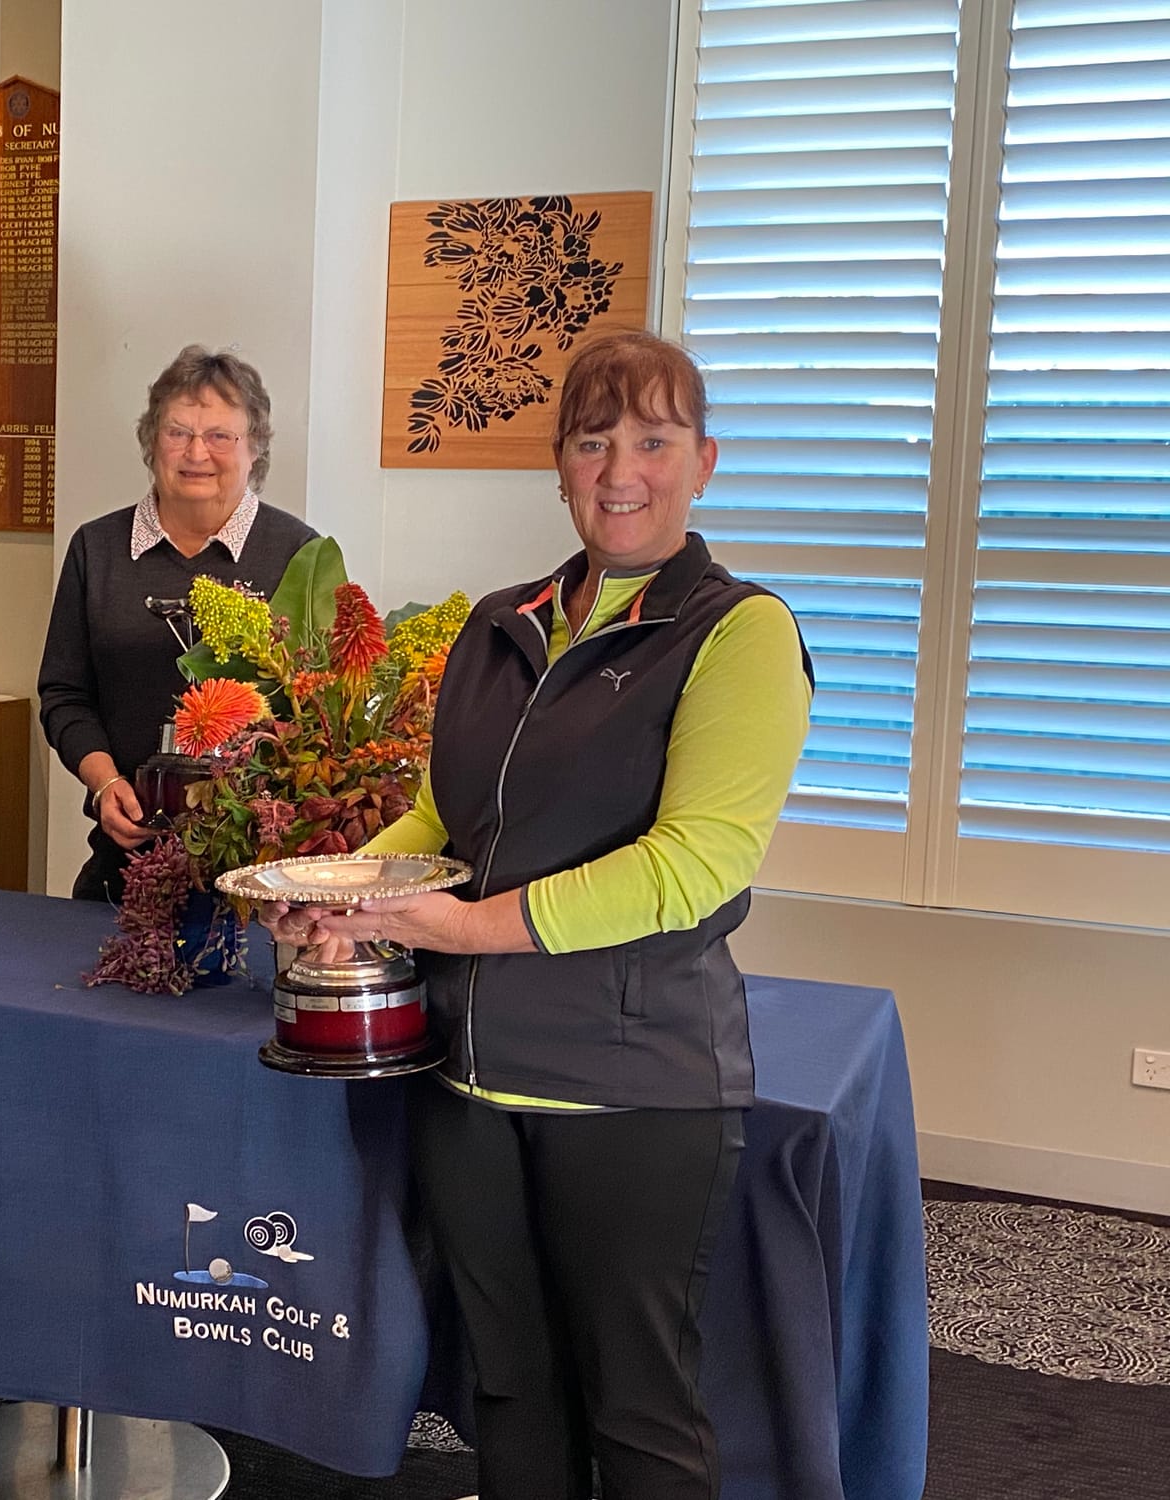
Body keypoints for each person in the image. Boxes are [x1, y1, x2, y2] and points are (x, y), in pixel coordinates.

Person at [266, 331, 812, 1499]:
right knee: (508, 1396)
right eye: (593, 440)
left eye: (653, 441)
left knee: (638, 1413)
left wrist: (454, 930)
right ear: (558, 465)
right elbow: (435, 821)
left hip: (634, 1093)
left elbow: (691, 867)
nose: (623, 469)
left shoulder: (737, 633)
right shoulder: (495, 625)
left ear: (703, 462)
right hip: (469, 1088)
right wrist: (336, 899)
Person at [38, 344, 316, 901]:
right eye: (177, 432)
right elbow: (64, 694)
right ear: (151, 441)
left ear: (254, 447)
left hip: (262, 874)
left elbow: (316, 709)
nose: (196, 452)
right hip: (126, 862)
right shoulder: (97, 548)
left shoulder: (298, 553)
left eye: (220, 435)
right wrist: (105, 783)